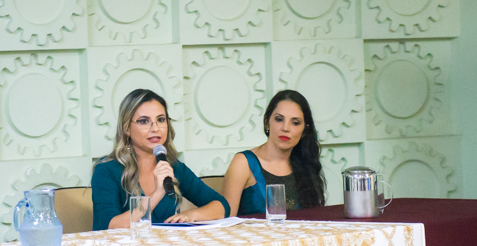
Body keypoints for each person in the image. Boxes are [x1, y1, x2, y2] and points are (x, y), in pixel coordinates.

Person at [92, 89, 229, 230]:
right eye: (144, 121)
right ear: (126, 128)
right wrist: (157, 194)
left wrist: (191, 214)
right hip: (122, 245)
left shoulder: (174, 167)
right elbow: (109, 226)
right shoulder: (106, 170)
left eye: (161, 120)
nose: (155, 128)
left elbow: (222, 206)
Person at [222, 90, 325, 216]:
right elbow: (226, 222)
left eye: (295, 123)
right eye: (279, 119)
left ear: (304, 130)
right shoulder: (243, 163)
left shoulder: (305, 163)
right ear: (267, 122)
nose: (285, 128)